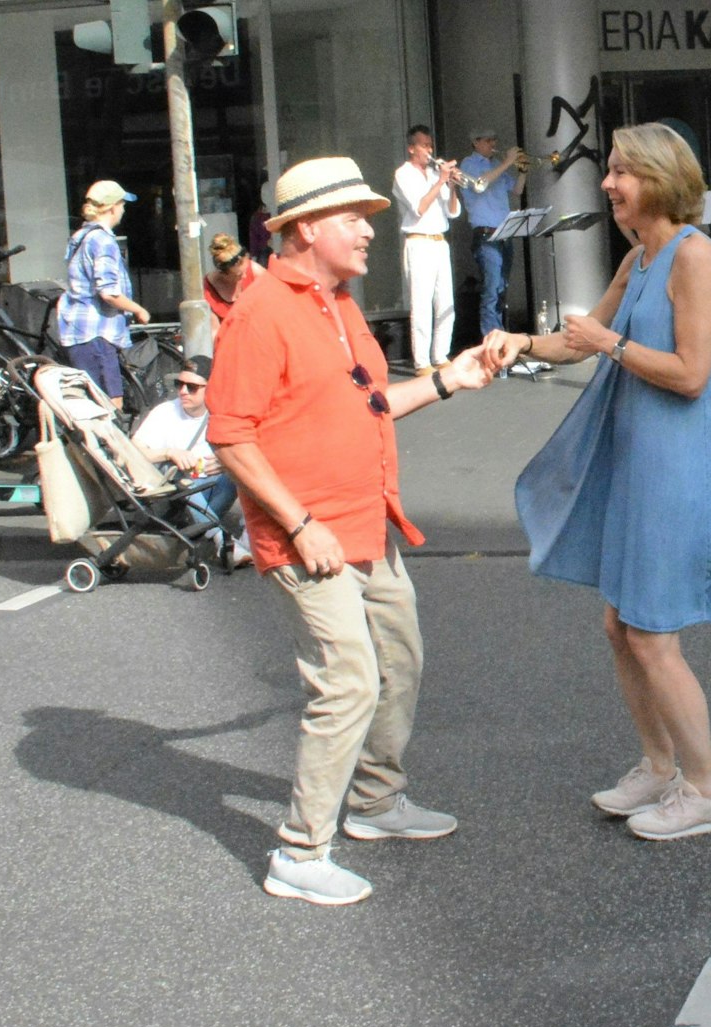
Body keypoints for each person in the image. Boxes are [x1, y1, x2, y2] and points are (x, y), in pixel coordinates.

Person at [207, 156, 499, 906]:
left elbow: (369, 406)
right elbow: (230, 437)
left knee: (400, 662)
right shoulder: (260, 313)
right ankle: (300, 852)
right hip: (309, 535)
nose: (370, 232)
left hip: (368, 522)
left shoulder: (336, 304)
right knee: (348, 683)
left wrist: (450, 379)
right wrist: (300, 525)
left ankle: (374, 801)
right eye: (353, 220)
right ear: (306, 229)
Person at [488, 123, 711, 842]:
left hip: (674, 467)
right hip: (634, 461)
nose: (608, 183)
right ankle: (659, 768)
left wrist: (613, 345)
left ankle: (706, 790)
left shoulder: (696, 255)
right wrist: (518, 343)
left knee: (652, 635)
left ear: (659, 178)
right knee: (620, 625)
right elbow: (578, 341)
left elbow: (692, 375)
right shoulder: (639, 257)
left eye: (621, 170)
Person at [131, 355, 247, 565]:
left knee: (239, 469)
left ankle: (245, 531)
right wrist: (169, 453)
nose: (183, 391)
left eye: (192, 387)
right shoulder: (165, 412)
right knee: (179, 476)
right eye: (179, 384)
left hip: (212, 490)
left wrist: (226, 462)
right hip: (176, 498)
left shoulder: (222, 413)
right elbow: (134, 451)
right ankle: (221, 538)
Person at [56, 180, 151, 413]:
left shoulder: (82, 236)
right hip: (95, 333)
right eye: (122, 205)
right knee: (110, 403)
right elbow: (108, 292)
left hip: (80, 331)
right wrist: (138, 309)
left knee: (92, 401)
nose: (124, 210)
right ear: (112, 208)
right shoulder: (103, 241)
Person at [392, 124, 461, 377]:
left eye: (430, 145)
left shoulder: (434, 174)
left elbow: (452, 212)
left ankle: (441, 355)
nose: (429, 150)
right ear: (412, 148)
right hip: (418, 241)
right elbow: (419, 207)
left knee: (446, 302)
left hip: (440, 241)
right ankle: (422, 362)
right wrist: (441, 180)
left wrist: (451, 186)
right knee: (421, 303)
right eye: (424, 145)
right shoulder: (403, 174)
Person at [458, 126, 531, 337]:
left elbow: (517, 190)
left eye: (494, 140)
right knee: (491, 290)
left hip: (504, 233)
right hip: (486, 235)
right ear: (476, 142)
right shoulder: (468, 164)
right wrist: (508, 162)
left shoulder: (497, 164)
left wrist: (523, 171)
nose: (493, 144)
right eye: (488, 140)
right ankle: (491, 339)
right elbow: (480, 184)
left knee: (501, 288)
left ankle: (500, 335)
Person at [202, 232, 263, 324]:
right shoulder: (208, 291)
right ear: (223, 274)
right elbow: (214, 330)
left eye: (246, 270)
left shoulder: (257, 273)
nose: (244, 276)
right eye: (238, 275)